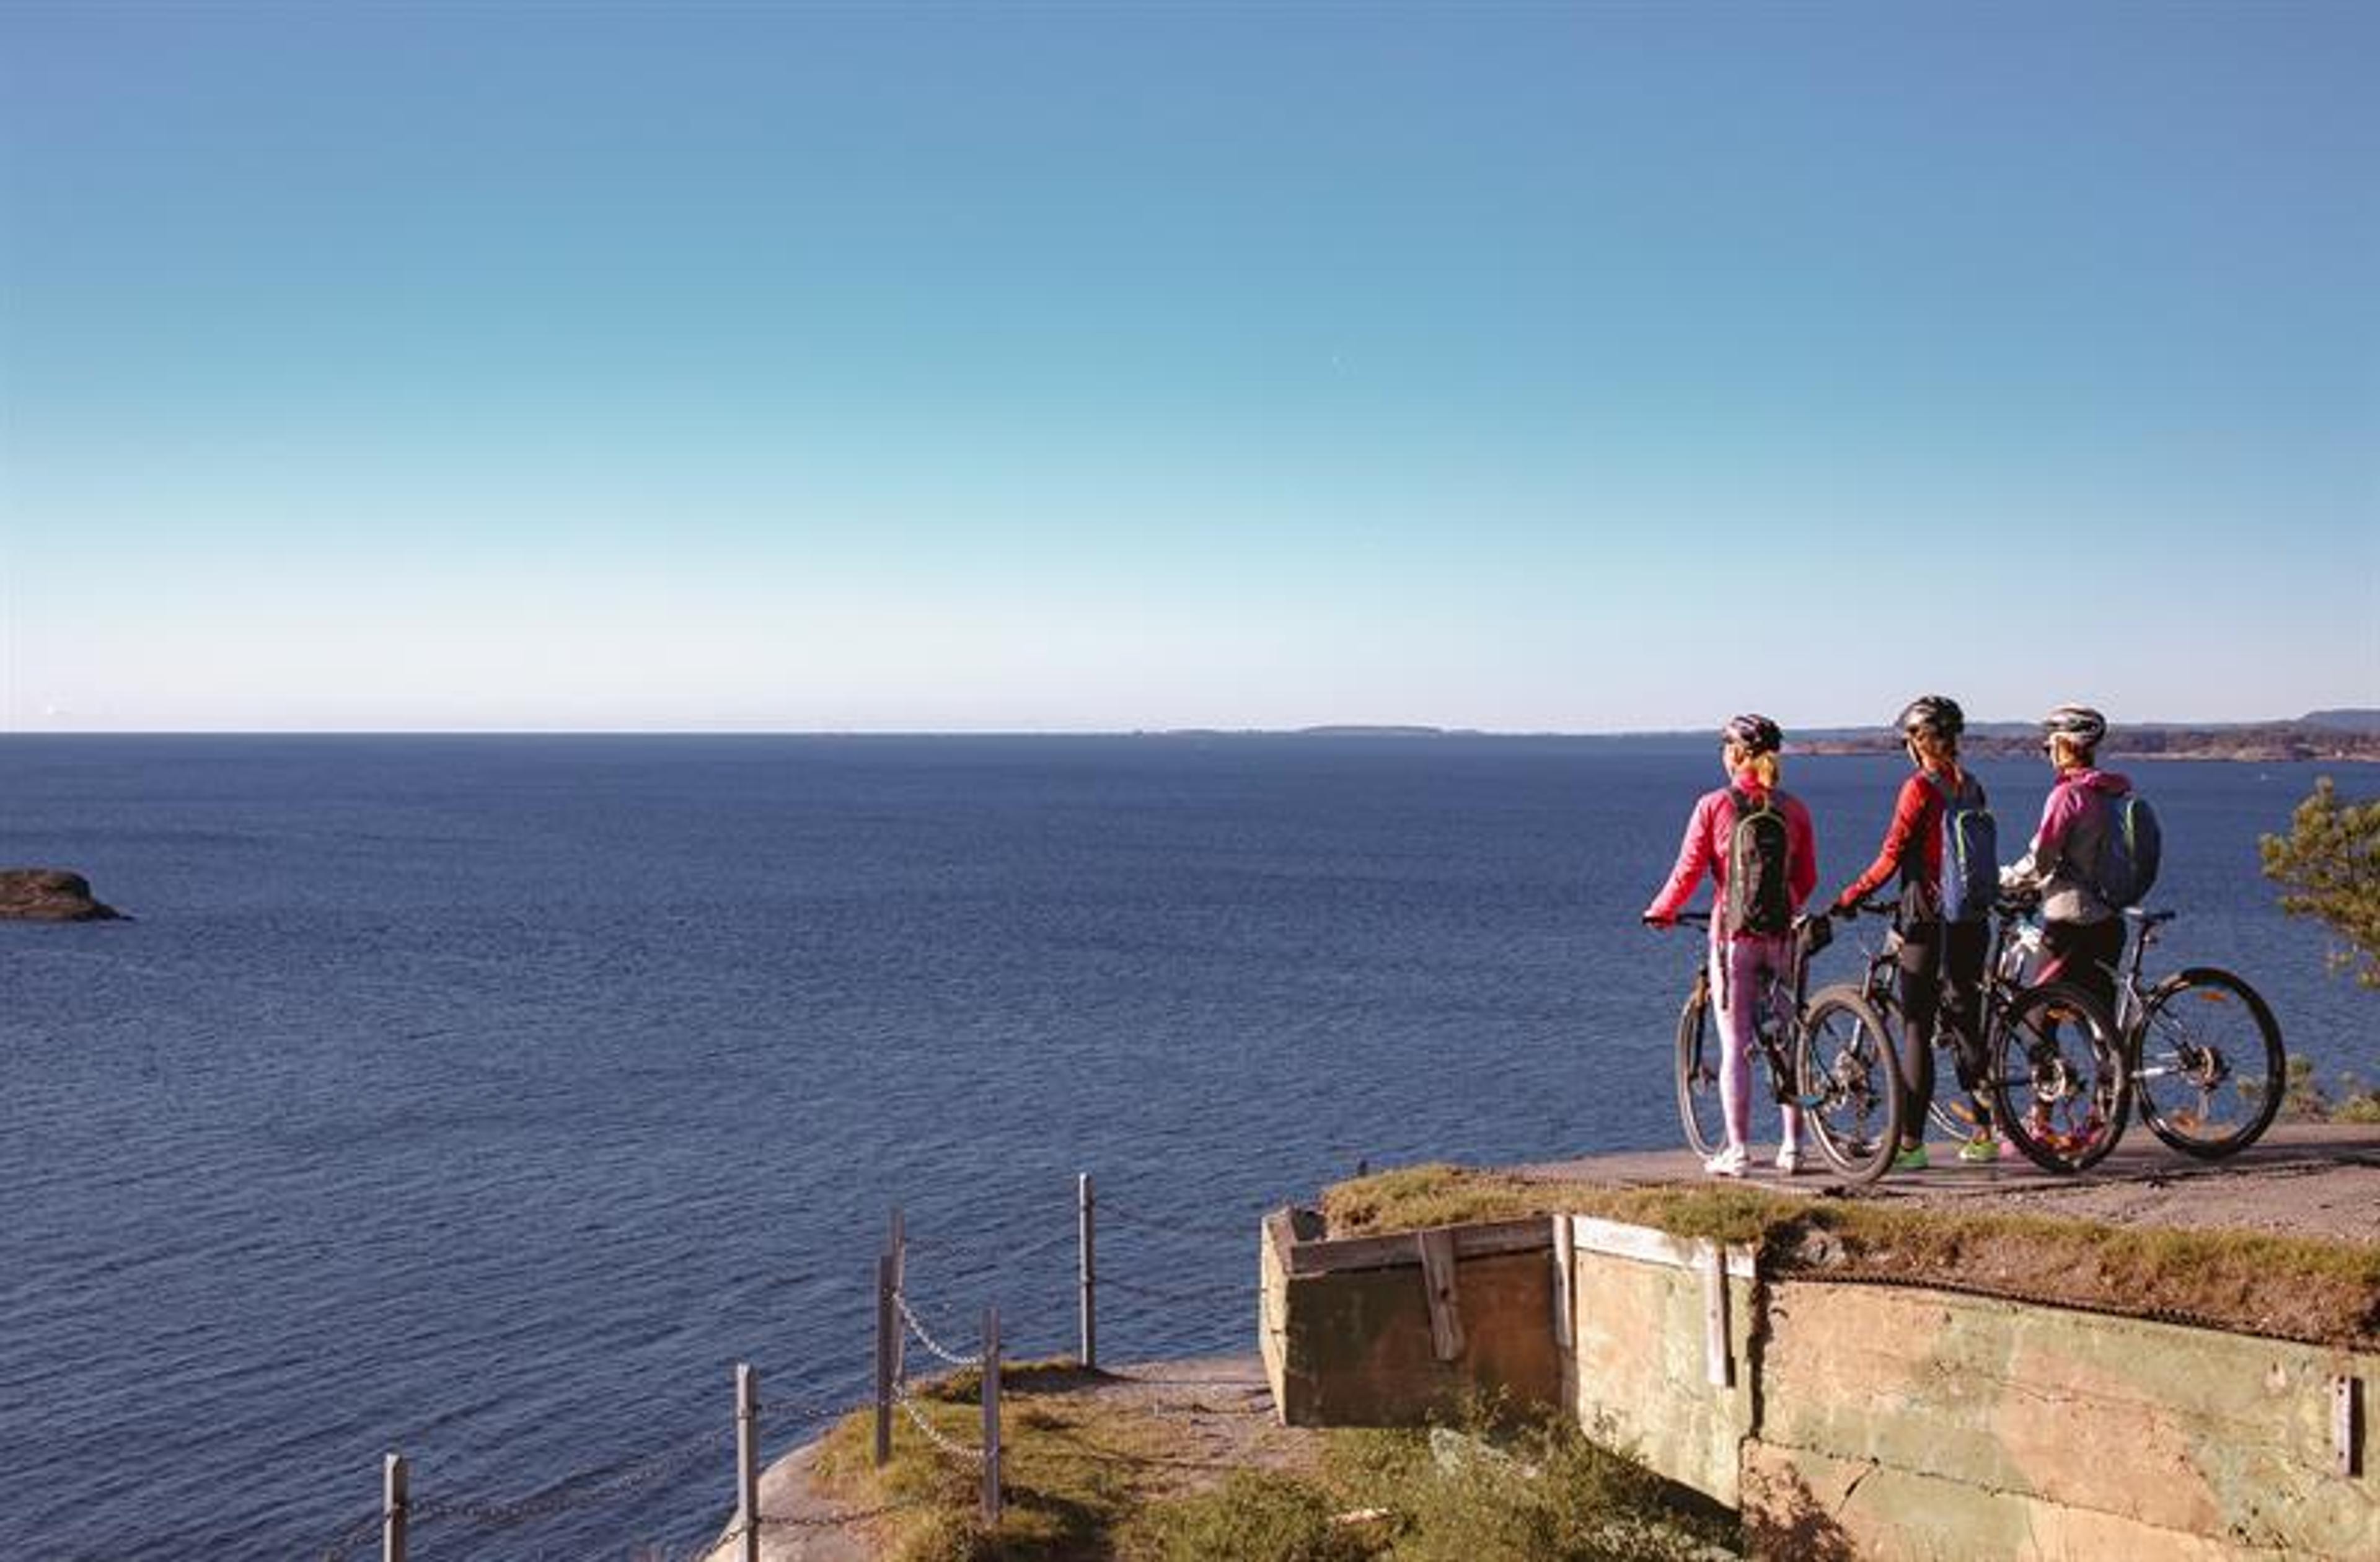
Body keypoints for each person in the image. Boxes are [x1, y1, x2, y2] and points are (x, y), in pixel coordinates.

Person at [1643, 714, 1818, 1177]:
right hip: (1783, 938)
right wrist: (1784, 905)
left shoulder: (1714, 804)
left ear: (1736, 754)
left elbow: (1687, 872)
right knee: (1787, 1039)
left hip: (1733, 938)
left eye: (1725, 748)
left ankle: (1738, 1152)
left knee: (1736, 1043)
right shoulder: (1793, 808)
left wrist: (1661, 910)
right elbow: (1807, 878)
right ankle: (1793, 1148)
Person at [1833, 695, 1994, 1168]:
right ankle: (1983, 1134)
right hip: (1971, 920)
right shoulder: (1972, 787)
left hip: (1925, 921)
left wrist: (1850, 896)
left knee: (1916, 1029)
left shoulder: (1919, 789)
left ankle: (1911, 1145)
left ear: (1919, 742)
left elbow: (1891, 855)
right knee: (1967, 1023)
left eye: (1910, 738)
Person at [2000, 703, 2131, 1016]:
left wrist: (2005, 880)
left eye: (2051, 745)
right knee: (2101, 1019)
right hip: (2110, 920)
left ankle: (2041, 1065)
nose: (2048, 752)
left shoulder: (2068, 795)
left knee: (2039, 1018)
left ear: (2067, 745)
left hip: (2072, 922)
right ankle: (2115, 1064)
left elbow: (2043, 857)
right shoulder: (2113, 792)